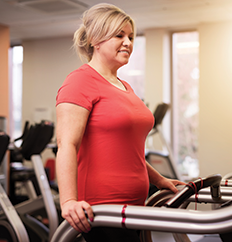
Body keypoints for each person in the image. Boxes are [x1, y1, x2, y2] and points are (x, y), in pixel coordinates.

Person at [55, 3, 185, 241]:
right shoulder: (79, 82)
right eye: (119, 35)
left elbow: (126, 150)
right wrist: (69, 201)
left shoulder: (124, 86)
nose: (128, 42)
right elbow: (66, 145)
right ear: (96, 40)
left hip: (134, 206)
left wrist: (158, 180)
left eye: (131, 37)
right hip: (101, 210)